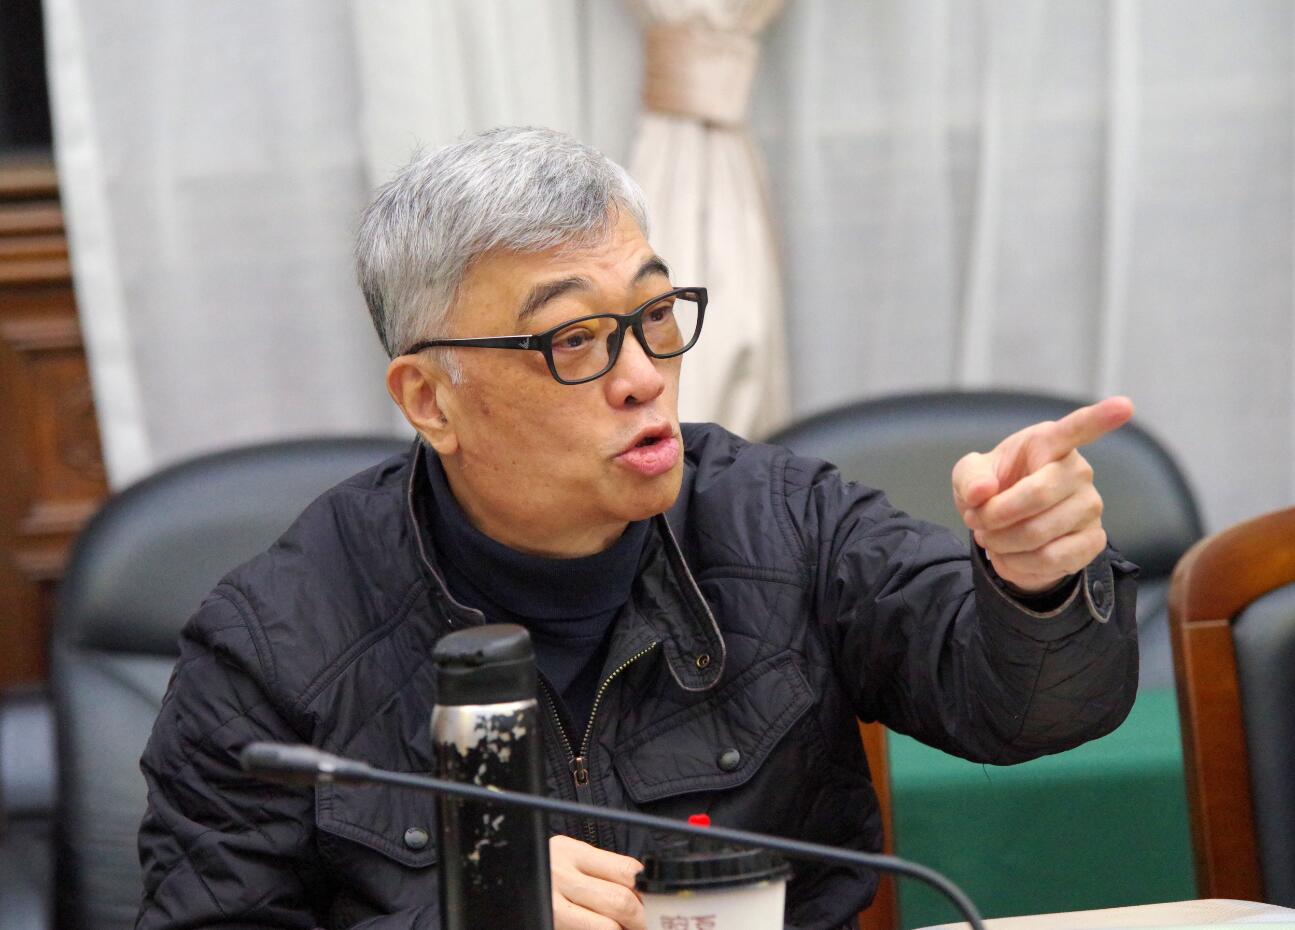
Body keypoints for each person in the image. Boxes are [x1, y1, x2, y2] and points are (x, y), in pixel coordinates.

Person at [135, 127, 1138, 930]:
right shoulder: (274, 644)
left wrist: (1035, 579)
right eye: (573, 340)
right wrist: (464, 914)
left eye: (655, 315)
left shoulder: (778, 519)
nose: (643, 376)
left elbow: (1027, 710)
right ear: (430, 399)